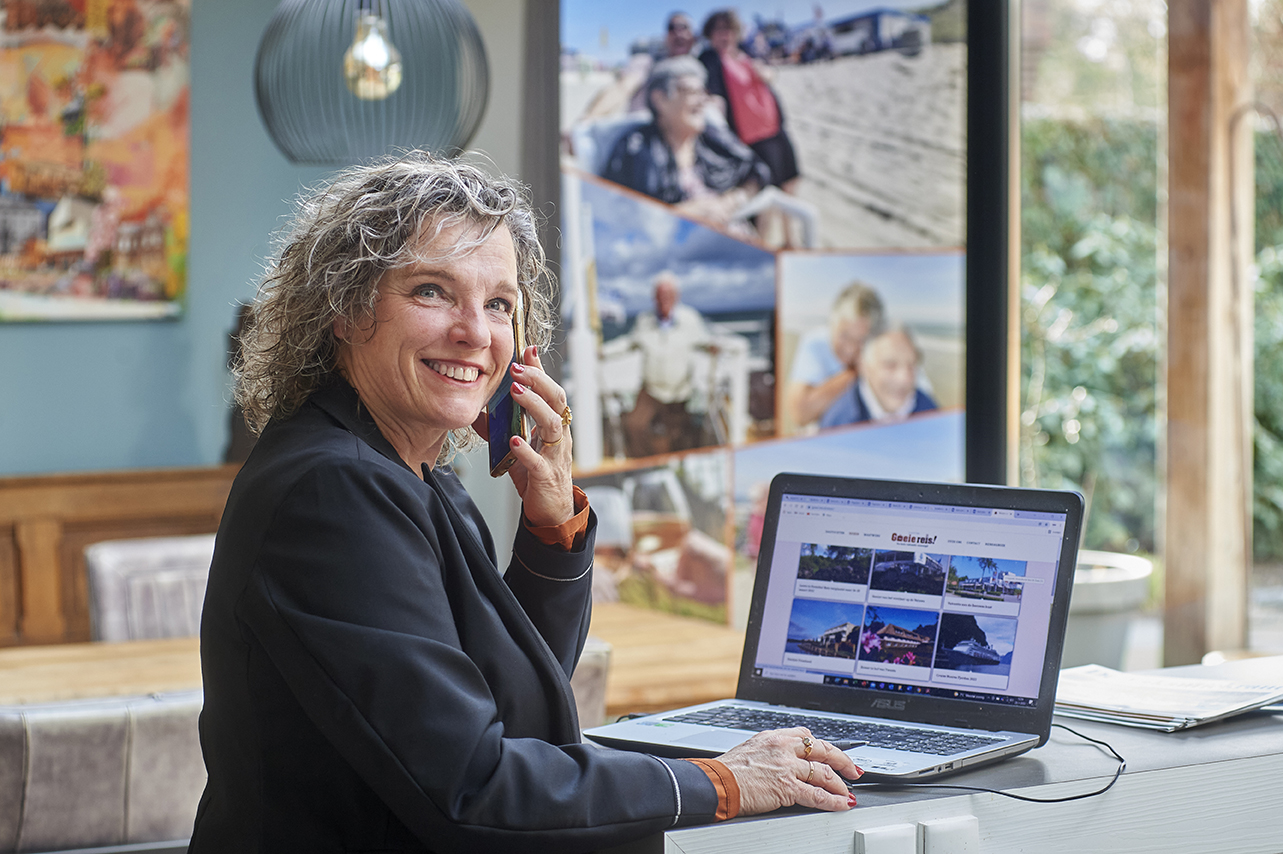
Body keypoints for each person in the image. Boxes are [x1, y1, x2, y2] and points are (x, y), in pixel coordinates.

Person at [189, 151, 860, 853]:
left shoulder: (417, 477)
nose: (475, 333)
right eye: (431, 291)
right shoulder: (335, 490)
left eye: (499, 303)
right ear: (347, 311)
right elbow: (474, 786)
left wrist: (551, 526)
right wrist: (721, 783)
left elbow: (515, 707)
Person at [601, 55, 770, 227]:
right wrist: (684, 213)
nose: (703, 100)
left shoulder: (712, 138)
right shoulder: (635, 147)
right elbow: (617, 213)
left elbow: (758, 171)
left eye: (703, 91)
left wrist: (731, 201)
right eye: (692, 92)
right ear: (659, 99)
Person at [607, 272, 716, 457]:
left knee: (680, 436)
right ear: (654, 298)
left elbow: (706, 341)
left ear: (676, 297)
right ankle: (644, 461)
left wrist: (716, 347)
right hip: (651, 391)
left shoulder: (690, 320)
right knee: (634, 424)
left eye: (668, 295)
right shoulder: (644, 320)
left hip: (680, 392)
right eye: (659, 295)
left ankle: (664, 458)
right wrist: (602, 351)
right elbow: (628, 343)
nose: (663, 299)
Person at [698, 9, 800, 193]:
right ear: (709, 34)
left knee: (790, 182)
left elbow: (769, 73)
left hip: (776, 129)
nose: (725, 34)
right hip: (751, 139)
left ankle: (790, 222)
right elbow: (713, 93)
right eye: (718, 29)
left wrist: (767, 73)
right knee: (768, 192)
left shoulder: (747, 52)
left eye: (729, 28)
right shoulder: (710, 59)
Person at [786, 281, 885, 431]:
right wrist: (856, 372)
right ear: (831, 324)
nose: (851, 349)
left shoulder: (887, 349)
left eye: (861, 340)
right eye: (844, 335)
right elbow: (800, 414)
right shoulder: (816, 343)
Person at [820, 324, 938, 429]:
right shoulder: (838, 425)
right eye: (890, 365)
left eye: (911, 366)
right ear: (864, 366)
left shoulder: (930, 412)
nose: (904, 379)